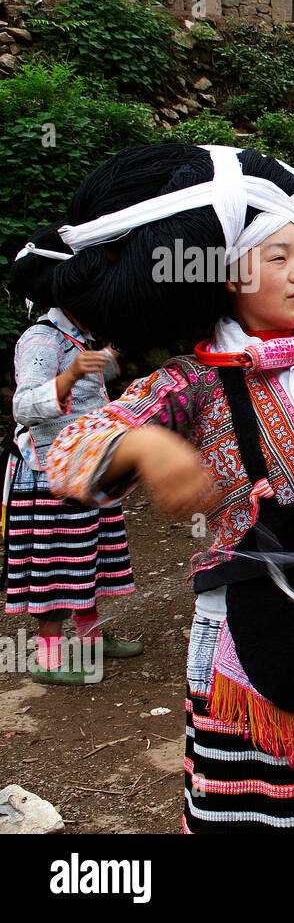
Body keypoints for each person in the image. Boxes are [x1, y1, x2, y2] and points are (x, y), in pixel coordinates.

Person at [45, 144, 294, 833]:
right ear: (229, 275)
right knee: (264, 805)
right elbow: (70, 446)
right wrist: (143, 444)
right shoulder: (192, 382)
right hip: (256, 626)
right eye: (277, 258)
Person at [3, 224, 138, 684]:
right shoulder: (42, 339)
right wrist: (67, 378)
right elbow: (23, 406)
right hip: (49, 472)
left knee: (89, 555)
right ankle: (48, 657)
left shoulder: (81, 335)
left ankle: (91, 638)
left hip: (85, 467)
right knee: (56, 561)